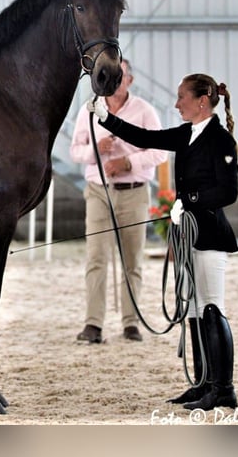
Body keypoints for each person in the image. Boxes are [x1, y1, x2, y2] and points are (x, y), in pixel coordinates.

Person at [89, 72, 238, 410]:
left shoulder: (221, 141)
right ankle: (203, 384)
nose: (175, 104)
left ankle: (224, 388)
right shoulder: (187, 134)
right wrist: (106, 118)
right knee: (194, 309)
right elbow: (145, 136)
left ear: (202, 101)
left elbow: (228, 192)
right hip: (186, 232)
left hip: (210, 233)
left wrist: (191, 199)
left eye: (181, 98)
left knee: (213, 307)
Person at [70, 58, 167, 344]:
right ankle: (93, 324)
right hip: (99, 191)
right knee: (96, 258)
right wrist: (94, 151)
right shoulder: (88, 110)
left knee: (132, 260)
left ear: (129, 80)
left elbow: (160, 152)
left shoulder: (145, 111)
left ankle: (130, 323)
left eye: (119, 75)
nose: (113, 80)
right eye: (107, 76)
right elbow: (75, 151)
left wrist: (128, 162)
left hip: (134, 192)